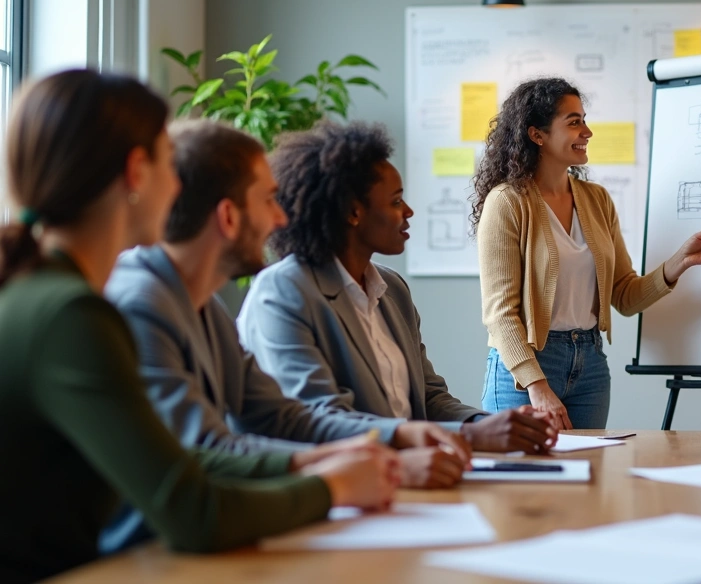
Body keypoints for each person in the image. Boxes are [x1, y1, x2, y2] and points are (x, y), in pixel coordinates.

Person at [0, 70, 398, 583]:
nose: (179, 181)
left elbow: (186, 465)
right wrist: (333, 488)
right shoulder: (73, 316)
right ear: (137, 172)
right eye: (170, 157)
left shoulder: (53, 296)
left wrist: (327, 464)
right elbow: (194, 513)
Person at [102, 120, 474, 552]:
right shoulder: (143, 302)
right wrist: (348, 468)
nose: (281, 217)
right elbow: (205, 447)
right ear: (227, 215)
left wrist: (394, 438)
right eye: (268, 200)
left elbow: (283, 416)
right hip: (138, 555)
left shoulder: (204, 305)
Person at [238, 121, 558, 454]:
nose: (408, 212)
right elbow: (319, 418)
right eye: (395, 202)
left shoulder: (391, 288)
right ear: (353, 212)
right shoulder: (284, 292)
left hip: (415, 476)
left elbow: (429, 397)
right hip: (350, 487)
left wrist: (484, 425)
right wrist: (469, 438)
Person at [471, 77, 701, 430]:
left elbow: (624, 296)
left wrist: (679, 261)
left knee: (587, 478)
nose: (587, 131)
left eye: (584, 119)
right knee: (522, 480)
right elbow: (500, 315)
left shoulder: (596, 199)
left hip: (589, 366)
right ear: (537, 135)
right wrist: (537, 385)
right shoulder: (508, 202)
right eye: (574, 122)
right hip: (524, 372)